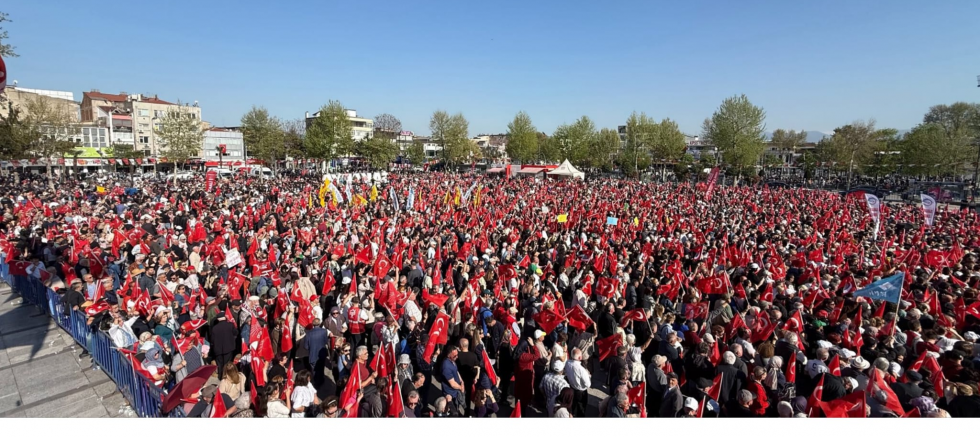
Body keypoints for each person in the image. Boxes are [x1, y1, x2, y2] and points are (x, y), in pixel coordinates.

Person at [440, 345, 465, 416]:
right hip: (450, 393)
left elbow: (456, 371)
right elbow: (452, 384)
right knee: (451, 409)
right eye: (455, 356)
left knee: (457, 406)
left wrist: (461, 381)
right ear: (449, 355)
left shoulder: (452, 361)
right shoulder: (446, 367)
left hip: (455, 391)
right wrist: (461, 387)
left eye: (457, 355)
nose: (457, 357)